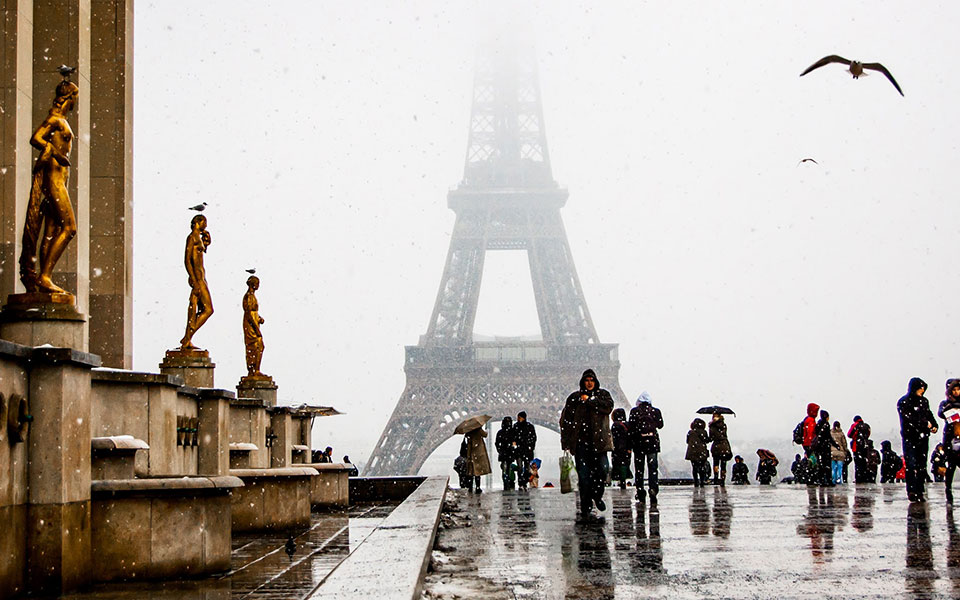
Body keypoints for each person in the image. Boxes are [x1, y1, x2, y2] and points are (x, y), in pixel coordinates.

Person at [20, 77, 80, 294]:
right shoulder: (55, 120)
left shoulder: (62, 121)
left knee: (52, 230)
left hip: (60, 180)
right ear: (69, 98)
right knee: (70, 228)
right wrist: (57, 155)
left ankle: (45, 279)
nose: (76, 102)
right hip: (53, 180)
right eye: (75, 97)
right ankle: (44, 276)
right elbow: (36, 138)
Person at [560, 369, 614, 519]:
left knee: (603, 470)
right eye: (587, 380)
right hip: (581, 444)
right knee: (584, 477)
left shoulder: (603, 395)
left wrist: (590, 401)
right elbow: (566, 421)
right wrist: (566, 442)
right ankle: (586, 504)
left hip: (599, 443)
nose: (589, 383)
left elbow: (608, 407)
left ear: (595, 382)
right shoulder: (574, 398)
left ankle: (597, 496)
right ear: (582, 382)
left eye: (591, 380)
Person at [897, 377, 938, 502]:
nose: (922, 391)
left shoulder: (924, 402)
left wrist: (934, 425)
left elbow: (928, 414)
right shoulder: (904, 402)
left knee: (921, 465)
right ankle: (912, 490)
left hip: (923, 437)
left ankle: (919, 490)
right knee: (911, 464)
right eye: (920, 388)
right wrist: (925, 424)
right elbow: (909, 419)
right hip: (910, 437)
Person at [179, 214, 214, 350]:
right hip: (198, 278)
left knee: (200, 309)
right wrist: (194, 279)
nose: (206, 225)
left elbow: (199, 254)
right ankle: (187, 337)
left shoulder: (197, 237)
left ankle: (187, 338)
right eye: (205, 222)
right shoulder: (192, 237)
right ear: (199, 222)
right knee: (208, 309)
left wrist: (205, 243)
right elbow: (187, 260)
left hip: (201, 277)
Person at [628, 392, 664, 503]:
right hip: (652, 443)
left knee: (639, 469)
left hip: (639, 443)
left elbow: (631, 428)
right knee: (653, 468)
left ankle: (640, 491)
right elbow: (660, 425)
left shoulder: (634, 411)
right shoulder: (655, 411)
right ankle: (653, 488)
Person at [938, 378, 960, 503]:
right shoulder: (945, 404)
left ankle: (948, 489)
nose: (957, 392)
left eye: (958, 390)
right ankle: (948, 489)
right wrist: (950, 408)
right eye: (954, 390)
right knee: (951, 466)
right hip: (951, 437)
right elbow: (941, 413)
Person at [242, 276, 267, 377]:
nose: (258, 286)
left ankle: (255, 369)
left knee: (258, 346)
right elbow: (248, 314)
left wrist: (259, 318)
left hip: (253, 322)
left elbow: (253, 312)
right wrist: (256, 328)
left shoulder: (252, 296)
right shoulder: (248, 296)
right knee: (256, 346)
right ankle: (254, 369)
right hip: (250, 325)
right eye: (257, 283)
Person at [513, 411, 537, 490]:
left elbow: (533, 438)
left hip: (526, 450)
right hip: (521, 450)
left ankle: (523, 482)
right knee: (520, 467)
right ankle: (521, 483)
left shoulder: (528, 427)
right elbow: (533, 438)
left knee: (526, 468)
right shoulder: (517, 426)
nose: (518, 419)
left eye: (519, 417)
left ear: (523, 417)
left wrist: (531, 447)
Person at [464, 426, 491, 493]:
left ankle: (470, 487)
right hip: (478, 452)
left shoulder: (469, 430)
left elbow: (467, 438)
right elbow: (485, 435)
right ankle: (477, 487)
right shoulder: (478, 429)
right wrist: (485, 430)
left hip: (471, 452)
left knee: (471, 471)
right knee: (477, 472)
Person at [610, 408, 632, 490]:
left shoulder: (615, 425)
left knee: (618, 465)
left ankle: (621, 480)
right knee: (625, 465)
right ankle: (623, 480)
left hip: (617, 449)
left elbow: (614, 438)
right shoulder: (627, 424)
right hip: (626, 449)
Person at [709, 413, 732, 485]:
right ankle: (722, 480)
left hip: (716, 446)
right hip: (724, 445)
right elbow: (724, 435)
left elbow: (711, 437)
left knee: (716, 463)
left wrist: (711, 426)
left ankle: (716, 479)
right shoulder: (724, 425)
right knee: (723, 464)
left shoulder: (712, 426)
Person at [685, 419, 710, 487]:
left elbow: (687, 441)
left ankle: (696, 482)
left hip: (692, 452)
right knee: (702, 467)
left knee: (694, 468)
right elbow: (707, 440)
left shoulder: (690, 432)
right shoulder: (703, 432)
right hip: (701, 452)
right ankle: (702, 482)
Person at [814, 410, 835, 486]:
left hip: (819, 448)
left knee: (821, 464)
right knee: (827, 464)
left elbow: (816, 433)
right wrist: (835, 444)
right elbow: (828, 436)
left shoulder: (818, 424)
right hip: (825, 447)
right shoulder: (826, 424)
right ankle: (828, 481)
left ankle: (821, 480)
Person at [848, 415, 872, 483]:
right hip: (865, 445)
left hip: (857, 446)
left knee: (858, 463)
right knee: (864, 462)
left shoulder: (855, 425)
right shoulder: (867, 426)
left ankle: (858, 478)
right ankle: (864, 478)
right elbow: (868, 434)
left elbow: (849, 434)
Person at [495, 417, 516, 490]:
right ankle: (508, 482)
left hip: (505, 453)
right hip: (508, 453)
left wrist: (500, 450)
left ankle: (506, 482)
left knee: (505, 469)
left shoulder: (500, 432)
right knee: (507, 468)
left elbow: (497, 443)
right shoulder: (513, 432)